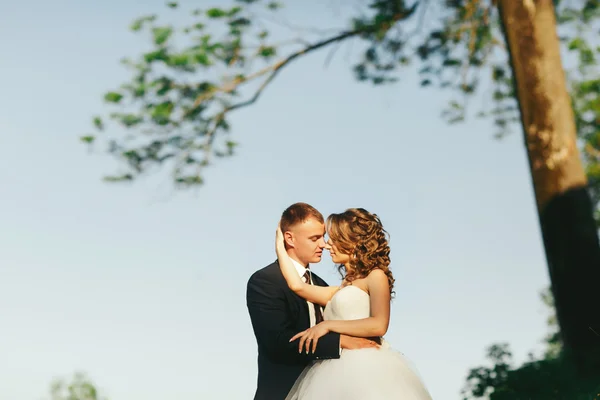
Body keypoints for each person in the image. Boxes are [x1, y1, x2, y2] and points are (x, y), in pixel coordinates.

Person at [277, 207, 433, 400]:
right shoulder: (340, 289)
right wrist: (281, 247)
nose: (327, 245)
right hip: (334, 368)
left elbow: (379, 324)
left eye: (334, 238)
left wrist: (328, 325)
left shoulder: (376, 276)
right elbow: (298, 286)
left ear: (352, 241)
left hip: (366, 367)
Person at [246, 203, 380, 400]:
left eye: (323, 237)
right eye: (314, 238)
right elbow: (277, 343)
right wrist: (340, 342)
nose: (324, 245)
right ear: (289, 238)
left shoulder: (321, 285)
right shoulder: (265, 281)